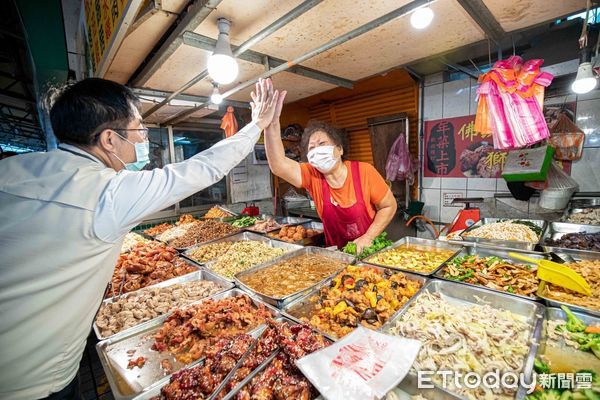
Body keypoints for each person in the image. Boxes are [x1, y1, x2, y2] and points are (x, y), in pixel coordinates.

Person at [0, 77, 281, 400]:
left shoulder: (13, 170)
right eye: (138, 129)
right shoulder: (105, 192)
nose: (143, 137)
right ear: (109, 139)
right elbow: (203, 169)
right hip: (33, 382)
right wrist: (257, 123)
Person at [263, 84, 397, 254]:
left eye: (322, 144)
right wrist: (271, 124)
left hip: (369, 252)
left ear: (339, 149)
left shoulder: (364, 171)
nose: (317, 150)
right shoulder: (313, 175)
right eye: (311, 148)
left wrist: (368, 237)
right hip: (336, 256)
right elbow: (278, 165)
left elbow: (389, 206)